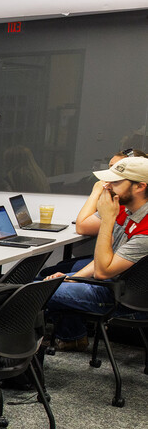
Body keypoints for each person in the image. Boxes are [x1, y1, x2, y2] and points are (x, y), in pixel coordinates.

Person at [45, 156, 148, 352]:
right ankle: (69, 338)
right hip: (113, 286)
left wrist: (108, 219)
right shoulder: (128, 210)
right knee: (39, 285)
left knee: (30, 294)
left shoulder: (145, 228)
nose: (107, 186)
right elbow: (107, 258)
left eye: (116, 182)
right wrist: (72, 279)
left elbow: (102, 271)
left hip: (123, 299)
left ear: (140, 187)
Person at [76, 148, 147, 236]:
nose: (109, 179)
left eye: (117, 169)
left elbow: (83, 227)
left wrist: (96, 191)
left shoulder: (122, 203)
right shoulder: (126, 205)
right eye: (110, 168)